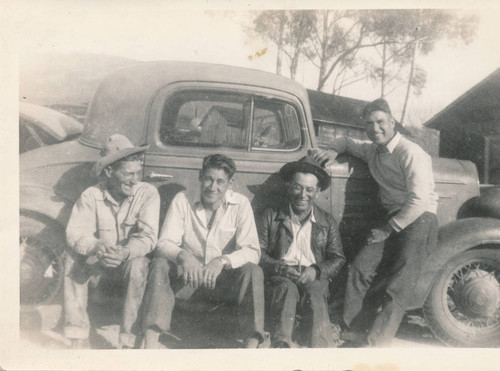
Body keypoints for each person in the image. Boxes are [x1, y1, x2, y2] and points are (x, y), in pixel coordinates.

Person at [310, 98, 439, 347]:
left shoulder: (411, 153)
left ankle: (376, 343)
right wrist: (333, 150)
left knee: (399, 283)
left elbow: (420, 200)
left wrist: (387, 230)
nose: (375, 128)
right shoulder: (373, 150)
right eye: (369, 124)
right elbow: (346, 141)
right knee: (359, 268)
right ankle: (348, 330)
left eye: (381, 122)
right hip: (392, 218)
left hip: (419, 219)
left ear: (393, 122)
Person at [141, 154, 266, 348]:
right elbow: (163, 243)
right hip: (188, 281)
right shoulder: (182, 200)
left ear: (230, 183)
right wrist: (183, 255)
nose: (212, 187)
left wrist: (222, 261)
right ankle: (150, 341)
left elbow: (252, 250)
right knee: (160, 264)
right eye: (208, 179)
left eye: (220, 182)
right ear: (200, 176)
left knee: (253, 271)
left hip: (222, 284)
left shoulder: (240, 204)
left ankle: (251, 346)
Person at [64, 134, 160, 349]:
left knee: (140, 263)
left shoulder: (148, 194)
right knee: (71, 256)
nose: (134, 180)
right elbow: (75, 233)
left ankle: (128, 342)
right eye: (128, 174)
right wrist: (98, 247)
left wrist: (124, 253)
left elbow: (148, 237)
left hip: (128, 267)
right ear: (109, 172)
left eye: (137, 173)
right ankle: (77, 336)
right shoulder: (91, 195)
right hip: (98, 267)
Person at [257, 157, 345, 348]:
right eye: (297, 187)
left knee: (317, 290)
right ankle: (282, 345)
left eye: (310, 189)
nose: (302, 194)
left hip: (313, 275)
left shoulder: (327, 221)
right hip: (282, 275)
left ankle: (320, 350)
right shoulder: (271, 215)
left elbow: (338, 258)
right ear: (289, 187)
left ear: (318, 192)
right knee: (286, 289)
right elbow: (257, 253)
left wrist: (316, 271)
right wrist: (279, 267)